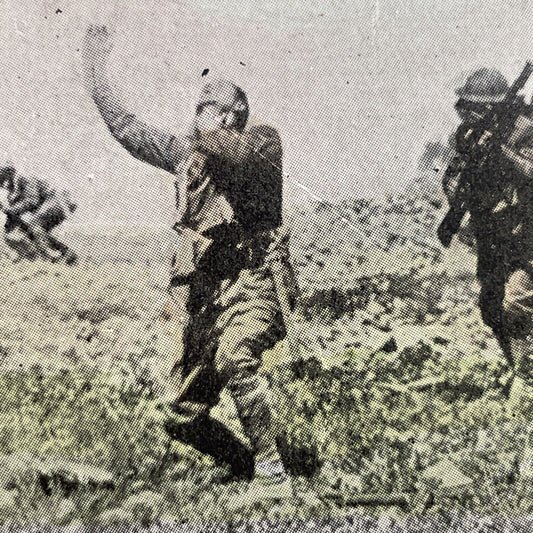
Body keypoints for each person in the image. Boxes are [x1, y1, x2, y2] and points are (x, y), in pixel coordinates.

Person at [82, 25, 299, 499]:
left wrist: (204, 138)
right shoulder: (191, 152)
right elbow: (128, 129)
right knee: (181, 415)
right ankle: (245, 462)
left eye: (210, 108)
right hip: (208, 291)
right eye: (198, 108)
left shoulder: (262, 142)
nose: (199, 116)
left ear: (234, 115)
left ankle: (273, 475)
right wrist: (96, 69)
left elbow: (233, 155)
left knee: (236, 358)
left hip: (254, 277)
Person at [440, 67, 533, 393]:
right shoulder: (467, 136)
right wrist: (460, 198)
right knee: (492, 308)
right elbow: (453, 178)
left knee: (515, 304)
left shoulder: (525, 128)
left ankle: (525, 381)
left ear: (491, 108)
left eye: (470, 107)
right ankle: (517, 368)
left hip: (527, 233)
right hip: (493, 235)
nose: (463, 113)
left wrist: (501, 151)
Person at [0, 165, 78, 264]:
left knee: (34, 226)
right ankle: (66, 254)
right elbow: (14, 215)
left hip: (58, 202)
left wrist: (10, 210)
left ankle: (47, 259)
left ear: (9, 176)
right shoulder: (13, 190)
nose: (4, 186)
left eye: (3, 181)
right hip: (54, 204)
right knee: (30, 230)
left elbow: (32, 201)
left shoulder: (24, 179)